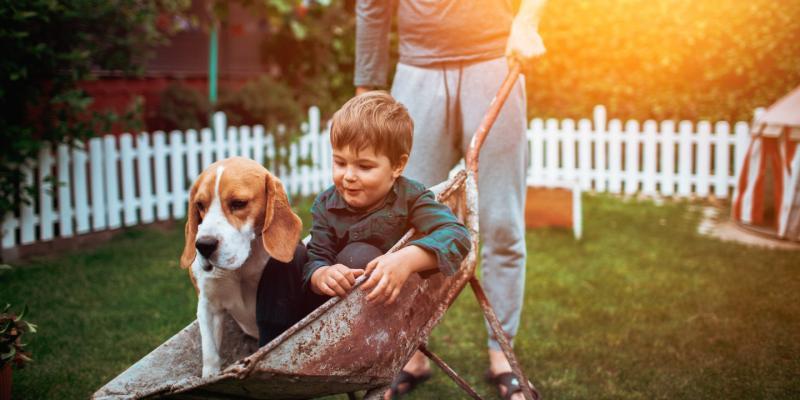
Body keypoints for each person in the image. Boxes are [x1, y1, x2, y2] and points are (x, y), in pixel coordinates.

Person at [354, 0, 547, 399]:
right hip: (416, 73)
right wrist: (367, 86)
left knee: (501, 223)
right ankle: (410, 354)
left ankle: (502, 354)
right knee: (405, 226)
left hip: (493, 61)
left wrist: (527, 21)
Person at [303, 91, 471, 305]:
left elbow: (457, 235)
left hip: (387, 300)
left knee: (360, 255)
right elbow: (317, 256)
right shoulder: (326, 205)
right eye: (340, 163)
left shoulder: (410, 197)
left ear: (397, 166)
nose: (349, 176)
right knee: (288, 260)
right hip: (330, 305)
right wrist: (321, 274)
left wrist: (407, 259)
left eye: (364, 166)